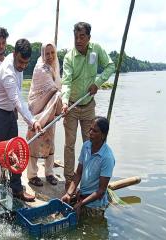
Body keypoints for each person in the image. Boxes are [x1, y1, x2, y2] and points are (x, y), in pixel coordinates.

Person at [0, 39, 42, 209]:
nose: (23, 66)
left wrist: (22, 115)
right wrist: (32, 120)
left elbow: (17, 96)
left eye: (26, 63)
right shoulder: (8, 71)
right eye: (21, 62)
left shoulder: (18, 65)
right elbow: (17, 98)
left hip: (8, 112)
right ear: (14, 54)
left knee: (16, 150)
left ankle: (17, 188)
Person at [61, 22, 115, 190]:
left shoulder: (96, 49)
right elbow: (67, 82)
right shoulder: (69, 57)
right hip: (71, 105)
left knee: (90, 142)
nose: (78, 40)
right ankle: (70, 180)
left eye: (82, 37)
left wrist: (98, 83)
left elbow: (110, 66)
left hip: (88, 105)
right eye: (76, 37)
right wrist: (64, 101)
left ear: (89, 38)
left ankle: (90, 180)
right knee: (69, 144)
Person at [61, 116, 115, 218]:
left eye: (95, 131)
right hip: (81, 197)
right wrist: (69, 193)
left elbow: (101, 191)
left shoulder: (107, 158)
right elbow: (78, 173)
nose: (90, 132)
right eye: (90, 129)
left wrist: (81, 204)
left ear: (103, 135)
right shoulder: (86, 146)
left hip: (95, 206)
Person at [26, 42, 62, 187]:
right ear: (42, 54)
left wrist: (58, 98)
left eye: (52, 53)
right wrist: (60, 96)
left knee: (50, 141)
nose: (50, 56)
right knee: (34, 140)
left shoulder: (55, 67)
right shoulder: (40, 69)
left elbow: (56, 87)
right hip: (37, 110)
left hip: (50, 110)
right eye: (47, 53)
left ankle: (49, 173)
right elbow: (53, 88)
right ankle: (32, 175)